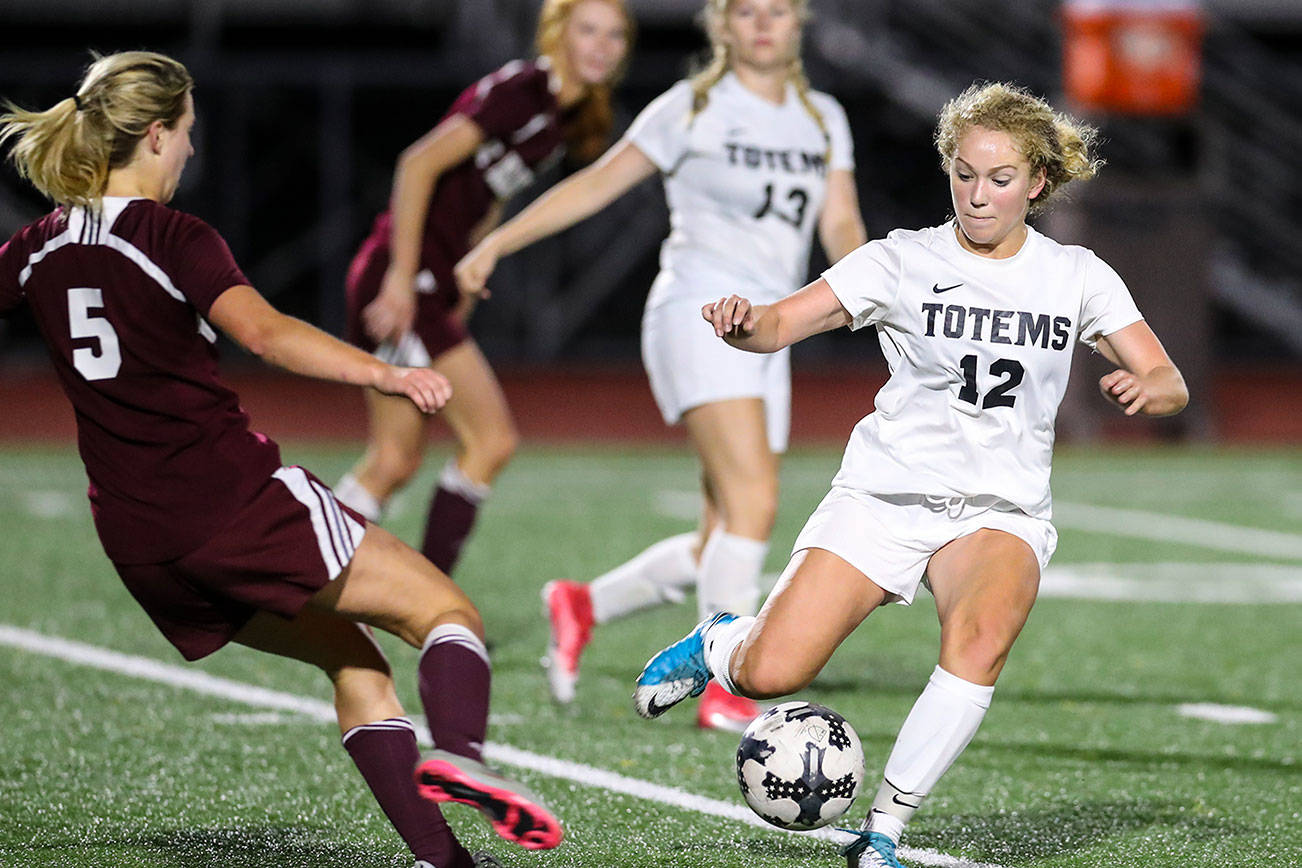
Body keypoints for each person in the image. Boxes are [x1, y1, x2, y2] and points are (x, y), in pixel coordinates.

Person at [0, 51, 564, 868]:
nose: (193, 150)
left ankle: (445, 862)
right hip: (230, 506)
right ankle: (463, 756)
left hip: (140, 543)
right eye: (188, 133)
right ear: (155, 135)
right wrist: (387, 371)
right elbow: (266, 334)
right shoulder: (171, 236)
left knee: (353, 657)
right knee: (448, 616)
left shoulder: (37, 246)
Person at [631, 81, 1189, 867]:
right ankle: (721, 643)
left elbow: (1168, 379)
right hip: (884, 496)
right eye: (964, 173)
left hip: (998, 510)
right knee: (771, 673)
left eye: (999, 179)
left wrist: (1148, 388)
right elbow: (784, 321)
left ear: (1037, 181)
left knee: (983, 636)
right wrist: (744, 324)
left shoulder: (1077, 275)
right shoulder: (902, 259)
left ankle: (884, 830)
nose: (978, 194)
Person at [456, 0, 867, 731]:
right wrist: (498, 243)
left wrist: (874, 293)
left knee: (724, 534)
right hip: (700, 313)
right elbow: (595, 183)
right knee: (755, 507)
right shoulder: (689, 108)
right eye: (747, 12)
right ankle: (725, 686)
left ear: (798, 22)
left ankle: (582, 605)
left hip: (772, 330)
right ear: (722, 26)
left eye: (778, 12)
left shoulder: (824, 116)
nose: (764, 24)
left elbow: (839, 224)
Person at [333, 0, 632, 579]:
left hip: (430, 281)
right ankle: (425, 592)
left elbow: (490, 195)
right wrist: (400, 276)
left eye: (615, 35)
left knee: (394, 460)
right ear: (558, 32)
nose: (601, 45)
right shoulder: (522, 90)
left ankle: (314, 581)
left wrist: (470, 268)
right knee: (490, 441)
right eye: (588, 30)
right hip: (403, 277)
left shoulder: (567, 113)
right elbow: (417, 164)